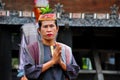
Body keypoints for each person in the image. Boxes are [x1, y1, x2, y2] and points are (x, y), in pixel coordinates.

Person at [17, 0, 80, 80]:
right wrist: (52, 62)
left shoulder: (66, 49)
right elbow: (29, 72)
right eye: (45, 27)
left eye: (51, 26)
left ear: (57, 29)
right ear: (39, 30)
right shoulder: (31, 49)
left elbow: (74, 72)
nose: (49, 30)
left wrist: (60, 62)